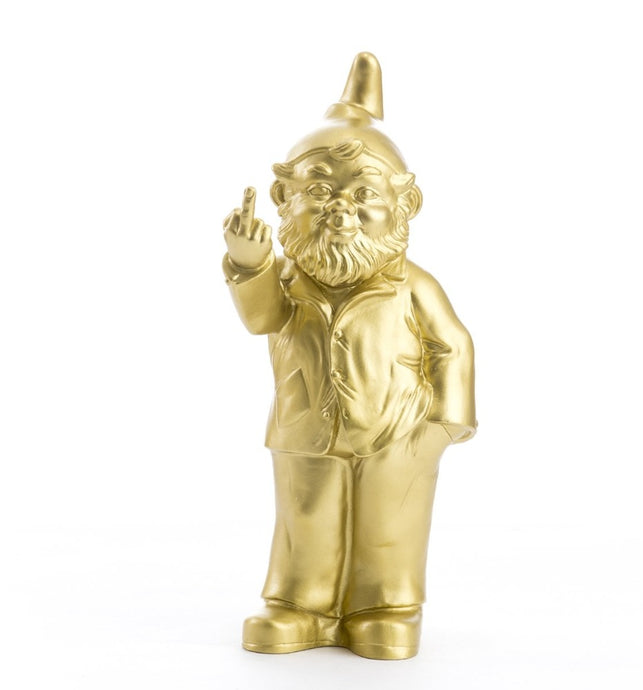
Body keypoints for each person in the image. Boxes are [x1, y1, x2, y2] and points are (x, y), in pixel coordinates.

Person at [222, 53, 476, 659]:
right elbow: (262, 319)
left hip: (398, 432)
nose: (340, 208)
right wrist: (251, 264)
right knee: (305, 517)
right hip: (304, 425)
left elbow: (453, 344)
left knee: (391, 522)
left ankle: (386, 607)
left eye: (364, 194)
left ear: (405, 206)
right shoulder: (290, 280)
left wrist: (445, 423)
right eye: (318, 191)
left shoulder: (412, 284)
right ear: (283, 198)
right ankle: (301, 604)